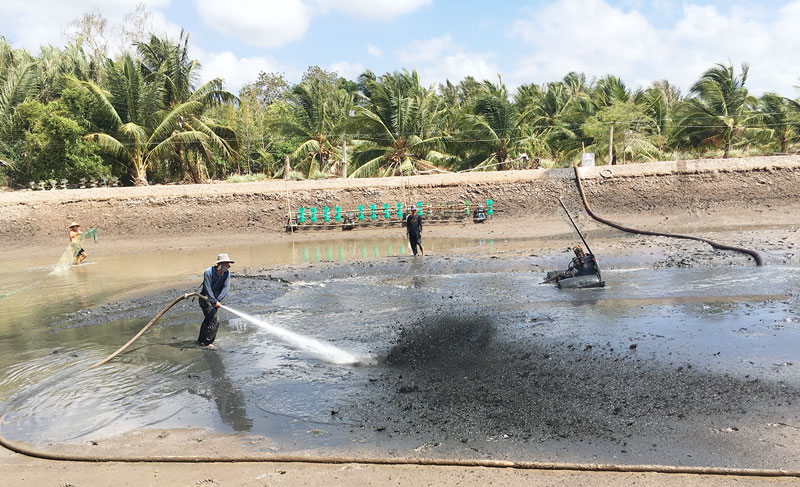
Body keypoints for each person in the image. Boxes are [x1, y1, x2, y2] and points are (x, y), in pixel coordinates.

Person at [198, 253, 234, 349]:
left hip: (216, 300)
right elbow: (208, 288)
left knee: (208, 320)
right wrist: (213, 301)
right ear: (219, 264)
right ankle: (207, 343)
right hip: (205, 299)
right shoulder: (208, 272)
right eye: (226, 264)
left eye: (228, 264)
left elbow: (226, 287)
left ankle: (201, 340)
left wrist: (218, 300)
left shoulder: (226, 273)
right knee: (214, 320)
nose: (228, 266)